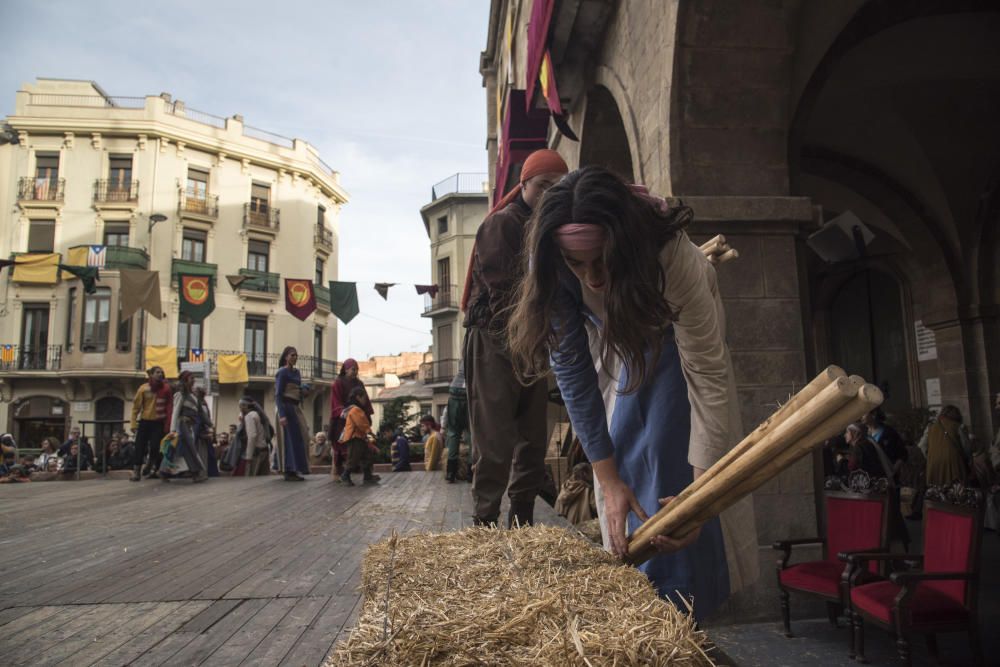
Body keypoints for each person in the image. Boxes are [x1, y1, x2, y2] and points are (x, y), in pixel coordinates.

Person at [506, 166, 758, 618]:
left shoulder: (672, 258)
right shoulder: (552, 262)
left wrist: (700, 502)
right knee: (620, 450)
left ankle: (687, 605)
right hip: (617, 343)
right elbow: (573, 374)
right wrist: (607, 479)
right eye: (577, 265)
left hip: (673, 337)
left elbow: (706, 373)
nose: (592, 278)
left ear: (625, 243)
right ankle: (636, 601)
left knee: (670, 451)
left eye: (602, 260)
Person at [462, 148, 569, 527]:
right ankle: (485, 524)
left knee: (533, 441)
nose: (549, 193)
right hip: (494, 338)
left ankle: (522, 522)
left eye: (558, 187)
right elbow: (502, 292)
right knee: (494, 442)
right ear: (524, 184)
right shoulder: (503, 224)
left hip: (531, 340)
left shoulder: (551, 229)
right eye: (543, 185)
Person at [161, 370, 210, 482]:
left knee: (174, 449)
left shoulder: (193, 397)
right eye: (191, 378)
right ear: (185, 380)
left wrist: (209, 424)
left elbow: (200, 413)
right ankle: (196, 473)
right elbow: (175, 412)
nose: (193, 380)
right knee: (189, 449)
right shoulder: (180, 395)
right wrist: (173, 430)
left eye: (193, 378)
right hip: (181, 425)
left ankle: (163, 471)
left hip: (189, 427)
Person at [328, 358, 372, 477]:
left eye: (357, 369)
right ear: (346, 369)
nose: (355, 372)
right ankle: (340, 473)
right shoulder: (338, 383)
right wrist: (345, 412)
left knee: (362, 450)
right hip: (341, 421)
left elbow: (365, 401)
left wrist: (367, 416)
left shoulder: (359, 383)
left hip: (356, 419)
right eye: (353, 369)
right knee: (342, 449)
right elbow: (335, 402)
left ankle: (366, 474)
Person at [129, 365, 173, 481]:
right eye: (157, 372)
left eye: (161, 372)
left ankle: (150, 463)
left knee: (155, 447)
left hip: (158, 423)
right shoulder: (143, 388)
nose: (160, 374)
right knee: (139, 446)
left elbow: (169, 408)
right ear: (152, 374)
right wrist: (133, 423)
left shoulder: (166, 389)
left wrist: (168, 424)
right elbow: (136, 408)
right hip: (145, 422)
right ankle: (136, 471)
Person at [275, 346, 310, 481]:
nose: (294, 358)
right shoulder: (282, 372)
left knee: (301, 437)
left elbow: (298, 392)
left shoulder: (297, 373)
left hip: (296, 408)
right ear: (286, 357)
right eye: (292, 355)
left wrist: (304, 392)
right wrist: (282, 415)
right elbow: (278, 394)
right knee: (288, 440)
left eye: (296, 355)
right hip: (286, 407)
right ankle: (289, 470)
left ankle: (297, 468)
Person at [919, 405, 972, 486]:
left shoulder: (930, 427)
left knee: (937, 491)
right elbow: (967, 447)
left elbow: (922, 445)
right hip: (954, 462)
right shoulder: (959, 426)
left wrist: (930, 456)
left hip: (934, 464)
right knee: (957, 491)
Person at [338, 386, 379, 486]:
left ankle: (367, 476)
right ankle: (345, 476)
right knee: (353, 458)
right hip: (354, 437)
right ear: (358, 397)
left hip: (359, 437)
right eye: (364, 398)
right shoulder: (356, 410)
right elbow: (362, 424)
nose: (365, 400)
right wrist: (370, 433)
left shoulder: (354, 409)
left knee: (367, 455)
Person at [444, 362, 472, 483]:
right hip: (469, 392)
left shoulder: (466, 350)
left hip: (454, 390)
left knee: (453, 433)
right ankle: (471, 473)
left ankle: (451, 472)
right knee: (472, 435)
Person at [861, 408, 907, 482]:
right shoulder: (862, 434)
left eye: (864, 413)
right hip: (869, 479)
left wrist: (893, 471)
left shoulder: (889, 432)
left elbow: (902, 454)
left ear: (873, 414)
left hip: (888, 478)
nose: (861, 416)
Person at [233, 396, 271, 476]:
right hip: (264, 450)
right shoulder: (258, 414)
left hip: (256, 453)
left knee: (251, 480)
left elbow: (252, 436)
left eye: (240, 406)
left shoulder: (249, 416)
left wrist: (249, 456)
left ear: (245, 406)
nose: (240, 408)